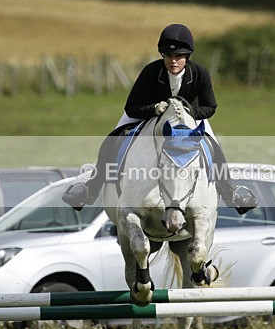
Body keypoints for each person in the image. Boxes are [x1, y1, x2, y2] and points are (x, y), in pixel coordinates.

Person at [63, 24, 257, 214]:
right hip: (146, 115)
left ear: (187, 57)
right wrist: (154, 108)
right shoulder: (151, 72)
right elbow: (131, 107)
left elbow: (210, 107)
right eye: (169, 56)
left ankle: (231, 191)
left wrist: (189, 113)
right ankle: (91, 188)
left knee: (213, 145)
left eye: (179, 57)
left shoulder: (199, 73)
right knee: (113, 140)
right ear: (162, 55)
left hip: (188, 119)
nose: (173, 61)